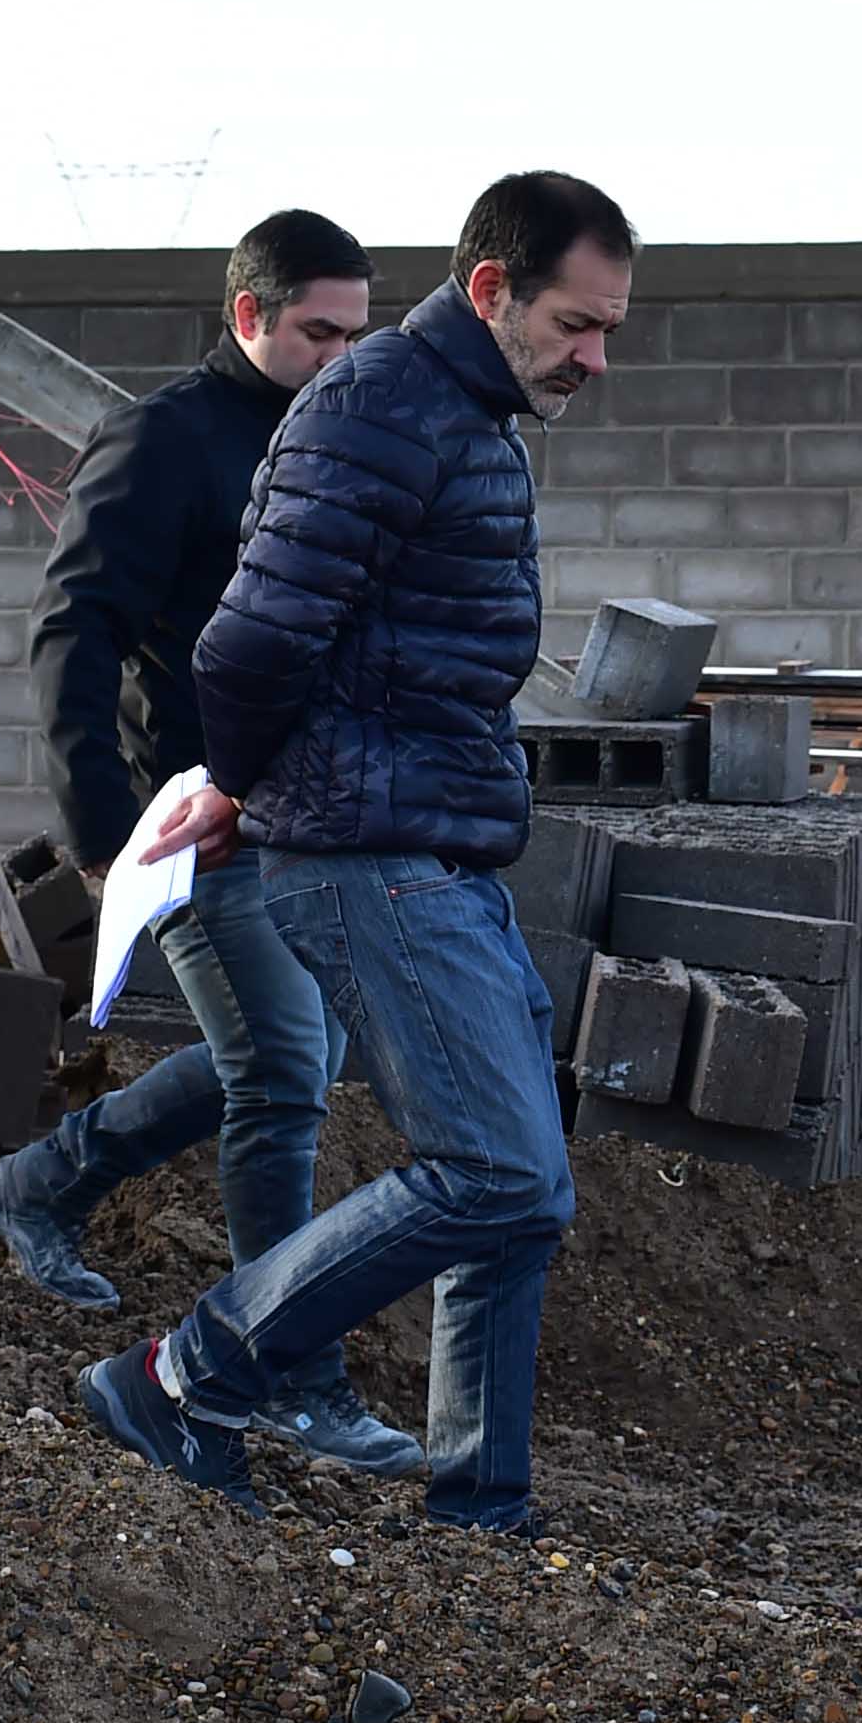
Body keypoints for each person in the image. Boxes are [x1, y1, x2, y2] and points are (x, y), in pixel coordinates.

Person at [73, 171, 635, 1533]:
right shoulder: (382, 404)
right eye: (576, 322)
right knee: (492, 1170)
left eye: (611, 327)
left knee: (527, 1196)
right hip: (367, 850)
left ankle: (478, 1509)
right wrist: (252, 786)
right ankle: (180, 1375)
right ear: (490, 288)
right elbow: (250, 641)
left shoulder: (467, 412)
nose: (596, 358)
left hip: (436, 842)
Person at [0, 208, 420, 1475]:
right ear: (247, 316)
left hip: (311, 817)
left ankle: (36, 1184)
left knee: (280, 1056)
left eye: (354, 334)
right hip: (195, 819)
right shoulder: (164, 440)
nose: (339, 356)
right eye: (315, 332)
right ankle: (281, 1370)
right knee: (279, 1065)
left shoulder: (345, 447)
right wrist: (108, 825)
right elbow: (74, 627)